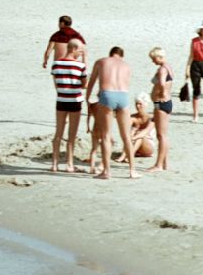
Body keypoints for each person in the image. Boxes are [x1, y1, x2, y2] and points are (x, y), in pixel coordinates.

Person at [85, 47, 139, 180]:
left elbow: (91, 82)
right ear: (121, 56)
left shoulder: (102, 61)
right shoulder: (126, 65)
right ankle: (132, 171)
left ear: (110, 54)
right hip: (123, 96)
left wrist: (87, 99)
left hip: (107, 95)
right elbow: (127, 83)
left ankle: (107, 171)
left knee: (105, 136)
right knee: (126, 136)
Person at [50, 41, 86, 172]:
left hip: (61, 99)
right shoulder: (80, 65)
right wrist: (85, 60)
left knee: (58, 132)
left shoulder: (56, 63)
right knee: (72, 134)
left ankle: (54, 163)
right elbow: (84, 84)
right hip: (75, 100)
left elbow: (56, 83)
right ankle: (69, 163)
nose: (81, 52)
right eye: (80, 50)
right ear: (74, 49)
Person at [148, 47, 174, 171]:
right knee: (164, 135)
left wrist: (162, 93)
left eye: (154, 59)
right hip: (167, 103)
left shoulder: (162, 69)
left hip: (161, 103)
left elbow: (163, 83)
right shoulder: (169, 67)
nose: (153, 62)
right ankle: (165, 163)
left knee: (161, 135)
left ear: (159, 57)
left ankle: (158, 165)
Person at [115, 96, 155, 163]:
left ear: (145, 104)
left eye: (140, 104)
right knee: (131, 133)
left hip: (148, 146)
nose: (138, 106)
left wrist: (133, 137)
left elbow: (145, 131)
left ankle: (129, 155)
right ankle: (124, 155)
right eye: (136, 104)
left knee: (139, 135)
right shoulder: (133, 117)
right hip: (135, 143)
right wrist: (132, 131)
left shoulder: (151, 118)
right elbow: (125, 129)